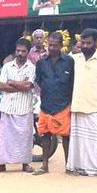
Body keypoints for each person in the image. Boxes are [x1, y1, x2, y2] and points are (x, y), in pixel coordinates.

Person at [66, 29, 97, 178]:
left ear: (96, 43)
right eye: (83, 43)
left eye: (89, 43)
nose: (86, 46)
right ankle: (79, 167)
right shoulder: (74, 59)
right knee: (80, 140)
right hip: (78, 105)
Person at [0, 38, 36, 174]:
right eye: (18, 50)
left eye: (23, 51)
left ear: (28, 52)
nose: (20, 53)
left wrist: (11, 82)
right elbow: (0, 85)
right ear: (15, 51)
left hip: (24, 108)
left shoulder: (32, 68)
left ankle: (25, 164)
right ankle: (1, 164)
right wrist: (19, 85)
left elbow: (28, 86)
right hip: (8, 107)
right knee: (5, 138)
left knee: (25, 137)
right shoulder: (7, 66)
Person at [34, 32, 74, 174]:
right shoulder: (41, 62)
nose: (51, 48)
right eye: (49, 45)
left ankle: (68, 166)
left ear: (61, 46)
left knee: (66, 136)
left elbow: (72, 82)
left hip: (63, 104)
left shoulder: (69, 61)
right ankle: (44, 165)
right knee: (45, 135)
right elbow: (39, 80)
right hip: (46, 104)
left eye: (55, 46)